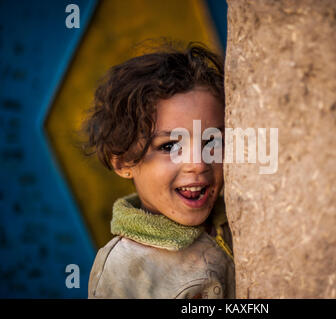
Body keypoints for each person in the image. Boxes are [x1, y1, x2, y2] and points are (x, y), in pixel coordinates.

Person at [83, 42, 234, 298]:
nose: (198, 163)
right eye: (170, 146)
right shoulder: (124, 268)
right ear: (123, 162)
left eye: (212, 141)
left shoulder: (234, 222)